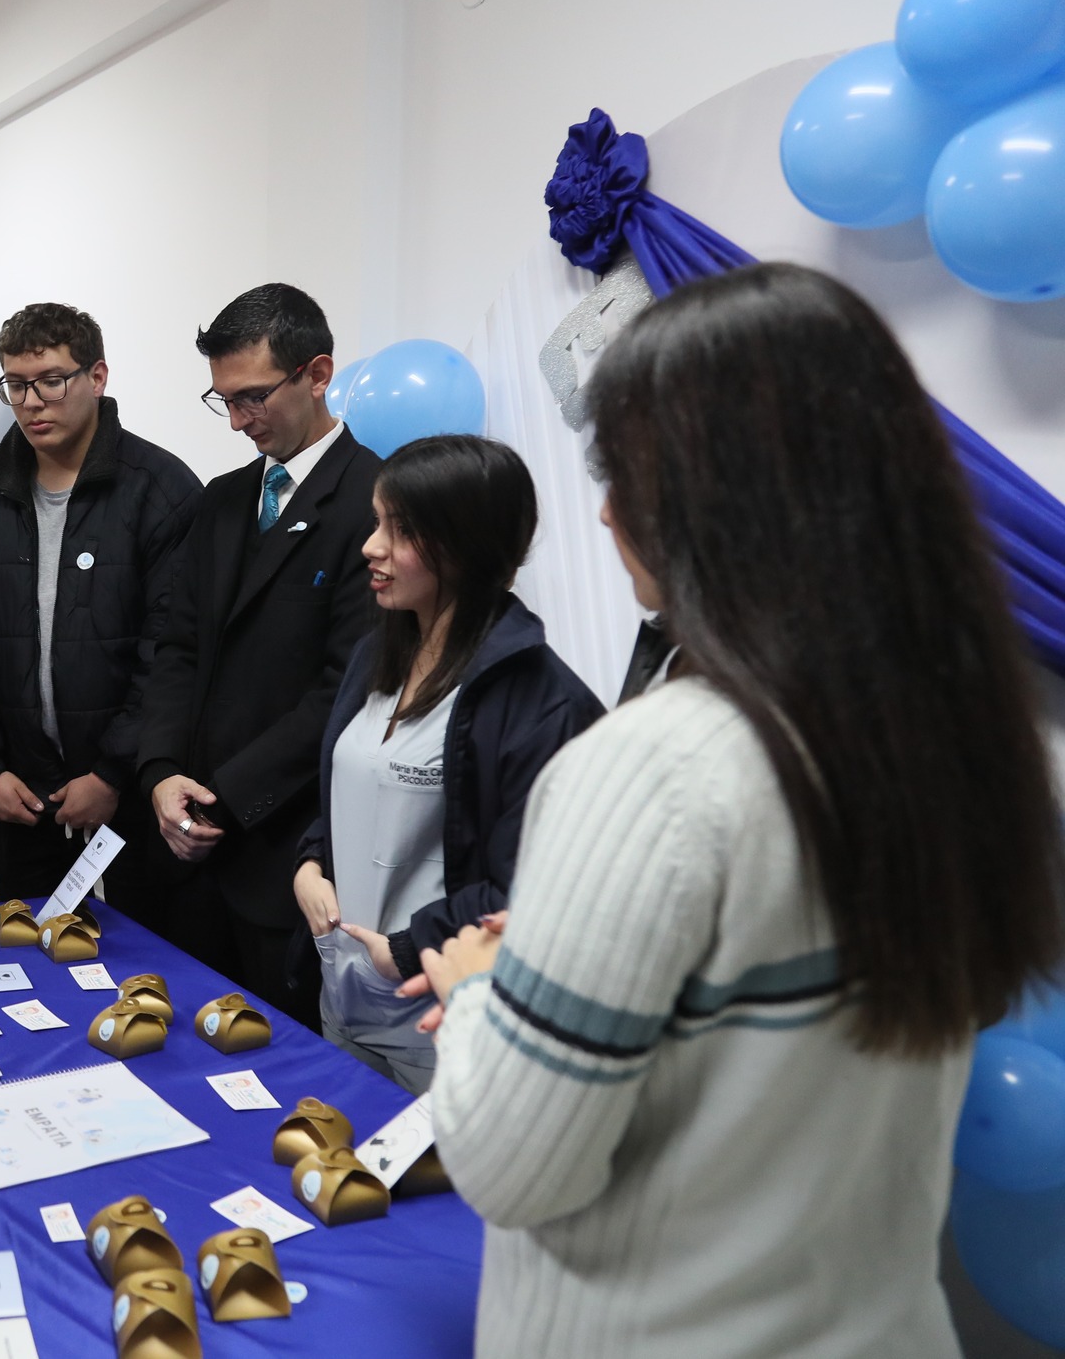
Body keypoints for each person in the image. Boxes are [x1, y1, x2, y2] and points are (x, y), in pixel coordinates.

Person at [412, 263, 1064, 1357]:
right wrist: (569, 960)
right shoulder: (966, 737)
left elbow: (511, 1167)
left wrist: (482, 996)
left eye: (617, 473)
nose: (608, 510)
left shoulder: (651, 764)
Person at [288, 435, 601, 1092]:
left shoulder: (544, 704)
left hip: (437, 1011)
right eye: (377, 522)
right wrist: (312, 861)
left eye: (397, 530)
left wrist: (403, 946)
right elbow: (351, 786)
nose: (370, 546)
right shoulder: (377, 653)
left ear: (461, 545)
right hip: (343, 989)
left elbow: (534, 887)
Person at [137, 283, 379, 1027]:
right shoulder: (220, 499)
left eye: (254, 398)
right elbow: (174, 647)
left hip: (286, 855)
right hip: (185, 845)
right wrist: (160, 771)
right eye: (225, 401)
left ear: (317, 373)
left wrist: (225, 797)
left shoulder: (373, 499)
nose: (240, 421)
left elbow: (346, 689)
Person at [0, 303, 200, 926]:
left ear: (97, 377)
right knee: (31, 971)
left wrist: (112, 772)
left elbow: (171, 651)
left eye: (51, 380)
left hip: (131, 798)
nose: (32, 402)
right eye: (16, 385)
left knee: (139, 974)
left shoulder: (161, 490)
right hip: (20, 795)